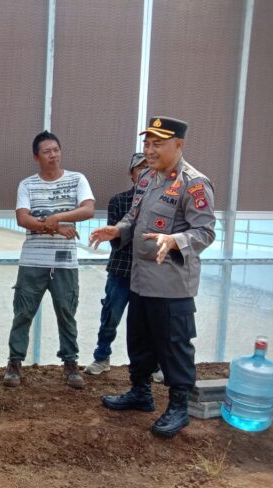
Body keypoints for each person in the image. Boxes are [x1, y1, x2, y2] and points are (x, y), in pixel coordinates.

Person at [90, 116, 215, 438]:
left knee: (174, 346)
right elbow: (133, 217)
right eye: (146, 143)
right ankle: (140, 393)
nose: (149, 150)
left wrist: (175, 240)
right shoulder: (146, 177)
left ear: (179, 145)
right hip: (140, 279)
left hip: (171, 284)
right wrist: (117, 230)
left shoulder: (193, 183)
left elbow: (205, 231)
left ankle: (178, 407)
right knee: (139, 339)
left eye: (157, 144)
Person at [3, 131, 95, 389]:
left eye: (56, 150)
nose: (53, 155)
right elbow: (23, 219)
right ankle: (14, 363)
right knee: (23, 313)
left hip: (65, 263)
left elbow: (88, 209)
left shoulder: (77, 179)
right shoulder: (27, 185)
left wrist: (56, 217)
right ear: (36, 157)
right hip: (33, 260)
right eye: (47, 151)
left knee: (66, 312)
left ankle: (70, 364)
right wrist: (56, 228)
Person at [84, 153, 148, 375]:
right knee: (111, 315)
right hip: (121, 269)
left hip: (150, 273)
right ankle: (102, 357)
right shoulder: (119, 201)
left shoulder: (162, 202)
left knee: (148, 321)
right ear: (131, 174)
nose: (145, 172)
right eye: (140, 168)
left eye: (149, 167)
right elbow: (115, 239)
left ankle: (152, 364)